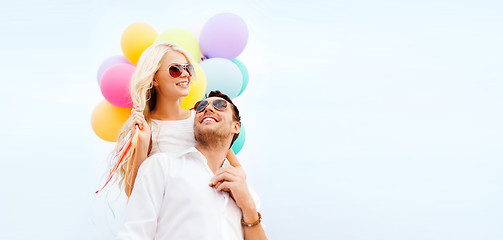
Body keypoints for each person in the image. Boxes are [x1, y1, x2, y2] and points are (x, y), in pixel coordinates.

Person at [117, 91, 267, 240]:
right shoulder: (160, 166)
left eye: (220, 105)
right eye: (201, 107)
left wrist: (248, 207)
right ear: (193, 126)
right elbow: (134, 233)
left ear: (236, 127)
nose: (207, 109)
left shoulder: (249, 195)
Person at [112, 42, 240, 196]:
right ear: (154, 79)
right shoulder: (145, 128)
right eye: (175, 69)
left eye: (188, 68)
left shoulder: (200, 119)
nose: (185, 74)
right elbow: (134, 195)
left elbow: (238, 171)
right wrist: (142, 142)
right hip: (172, 216)